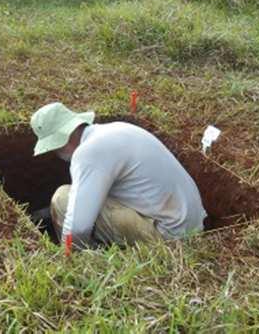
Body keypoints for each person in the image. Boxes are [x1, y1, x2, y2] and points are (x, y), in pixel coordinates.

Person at [30, 102, 206, 250]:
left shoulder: (88, 153)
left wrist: (66, 257)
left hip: (171, 238)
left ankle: (87, 260)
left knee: (63, 199)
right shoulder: (116, 129)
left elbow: (78, 228)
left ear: (61, 141)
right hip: (190, 225)